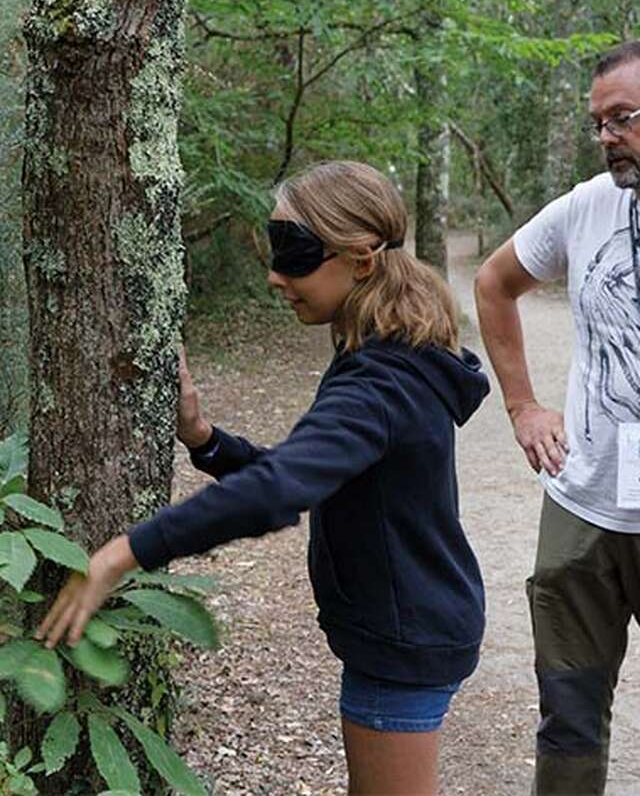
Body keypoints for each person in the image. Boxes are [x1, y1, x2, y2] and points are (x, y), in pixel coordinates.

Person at [37, 160, 489, 795]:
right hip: (407, 626)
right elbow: (308, 472)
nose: (275, 276)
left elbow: (279, 491)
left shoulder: (381, 382)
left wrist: (123, 552)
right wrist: (207, 441)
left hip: (403, 643)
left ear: (361, 260)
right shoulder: (386, 349)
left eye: (296, 256)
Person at [474, 41, 640, 796]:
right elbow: (493, 283)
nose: (607, 136)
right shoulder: (585, 208)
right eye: (599, 122)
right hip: (583, 510)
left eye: (623, 119)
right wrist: (522, 404)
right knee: (569, 717)